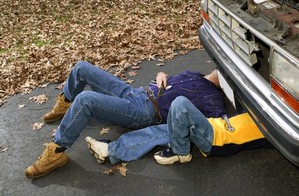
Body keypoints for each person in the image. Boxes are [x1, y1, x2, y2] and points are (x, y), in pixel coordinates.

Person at [25, 61, 227, 179]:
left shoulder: (214, 100)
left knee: (86, 100)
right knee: (81, 67)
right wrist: (161, 73)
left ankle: (57, 152)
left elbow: (207, 129)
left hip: (143, 111)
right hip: (136, 92)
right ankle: (65, 102)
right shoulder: (195, 74)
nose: (217, 67)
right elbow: (167, 78)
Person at [85, 96, 269, 165]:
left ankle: (180, 152)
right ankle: (111, 150)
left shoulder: (279, 131)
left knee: (180, 104)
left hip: (216, 140)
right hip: (211, 125)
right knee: (159, 131)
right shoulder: (266, 108)